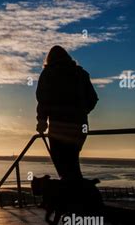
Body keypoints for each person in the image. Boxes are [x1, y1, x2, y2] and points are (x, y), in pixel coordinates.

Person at [35, 45, 98, 181]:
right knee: (72, 163)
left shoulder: (48, 73)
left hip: (58, 128)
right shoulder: (81, 74)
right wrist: (81, 112)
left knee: (64, 167)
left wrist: (41, 122)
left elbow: (43, 101)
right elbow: (93, 99)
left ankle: (73, 198)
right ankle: (78, 196)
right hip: (80, 126)